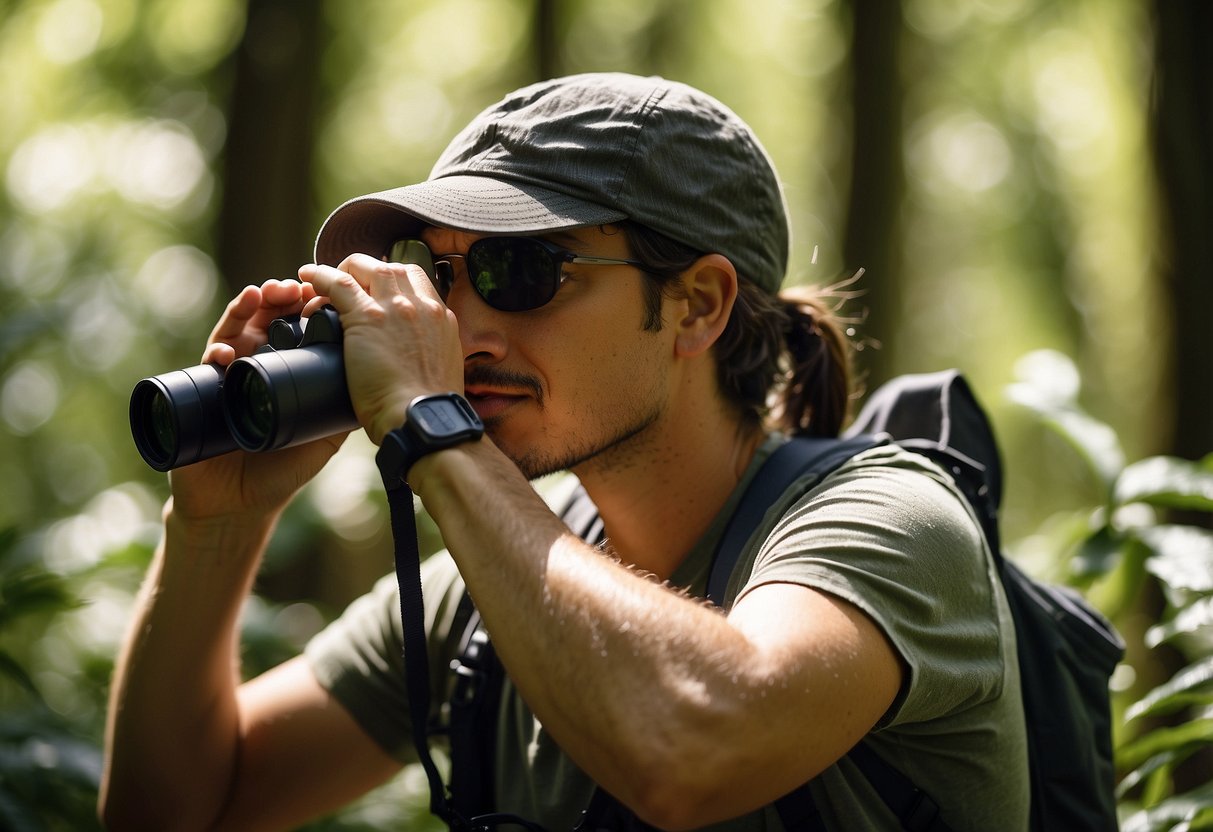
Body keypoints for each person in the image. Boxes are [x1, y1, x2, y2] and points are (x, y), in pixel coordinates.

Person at [99, 72, 1028, 831]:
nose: (463, 332)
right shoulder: (480, 600)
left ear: (697, 305)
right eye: (442, 276)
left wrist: (431, 426)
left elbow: (693, 749)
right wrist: (218, 521)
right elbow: (180, 810)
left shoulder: (889, 522)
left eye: (522, 269)